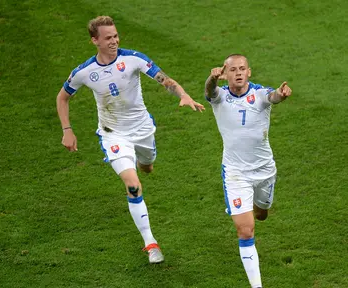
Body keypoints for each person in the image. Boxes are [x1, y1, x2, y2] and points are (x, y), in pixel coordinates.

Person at [56, 16, 205, 264]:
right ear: (95, 41)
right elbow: (62, 98)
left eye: (115, 36)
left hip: (143, 129)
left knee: (147, 166)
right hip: (113, 134)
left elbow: (164, 79)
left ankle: (143, 162)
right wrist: (67, 129)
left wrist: (183, 94)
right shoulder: (84, 72)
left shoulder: (133, 58)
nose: (114, 41)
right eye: (108, 38)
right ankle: (151, 243)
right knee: (133, 185)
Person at [204, 54, 292, 287]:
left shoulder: (260, 94)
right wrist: (211, 79)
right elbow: (209, 91)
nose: (239, 73)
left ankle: (255, 206)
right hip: (235, 173)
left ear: (249, 72)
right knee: (245, 230)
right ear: (225, 73)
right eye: (233, 70)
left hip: (264, 170)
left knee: (261, 214)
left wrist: (281, 95)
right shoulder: (220, 96)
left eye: (242, 69)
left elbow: (273, 97)